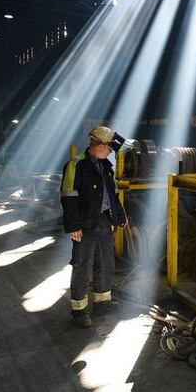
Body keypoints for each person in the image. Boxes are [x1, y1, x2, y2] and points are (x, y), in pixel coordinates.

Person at [60, 126, 127, 328]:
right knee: (82, 265)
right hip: (85, 224)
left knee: (106, 262)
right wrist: (74, 226)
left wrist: (120, 216)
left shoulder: (106, 166)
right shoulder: (76, 165)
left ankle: (102, 303)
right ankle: (80, 311)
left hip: (104, 222)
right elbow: (69, 197)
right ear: (100, 146)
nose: (111, 153)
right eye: (109, 149)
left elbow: (113, 195)